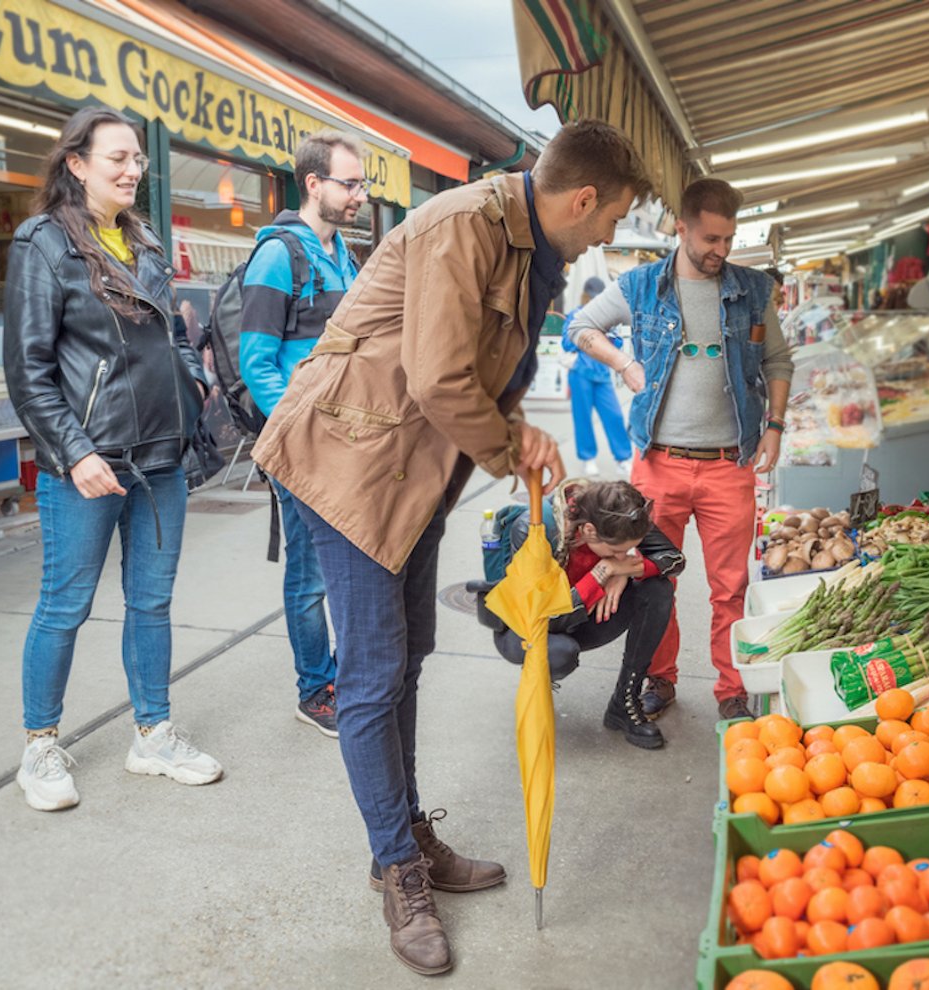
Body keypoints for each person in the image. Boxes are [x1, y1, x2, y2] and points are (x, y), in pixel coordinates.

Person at [252, 119, 650, 976]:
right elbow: (437, 376)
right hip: (352, 462)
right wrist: (512, 448)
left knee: (408, 654)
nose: (609, 237)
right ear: (582, 199)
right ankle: (396, 866)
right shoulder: (461, 224)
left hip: (417, 465)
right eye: (612, 219)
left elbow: (477, 374)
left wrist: (513, 432)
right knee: (372, 670)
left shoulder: (530, 247)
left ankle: (402, 835)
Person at [3, 106, 222, 812]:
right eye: (117, 160)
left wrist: (193, 379)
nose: (133, 171)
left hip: (161, 460)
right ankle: (40, 746)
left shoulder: (143, 242)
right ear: (76, 164)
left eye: (137, 161)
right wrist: (72, 453)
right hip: (89, 468)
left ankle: (152, 735)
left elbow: (174, 335)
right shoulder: (43, 244)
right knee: (64, 606)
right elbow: (28, 370)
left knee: (151, 603)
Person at [567, 177, 795, 722]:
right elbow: (581, 325)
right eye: (711, 238)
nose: (721, 250)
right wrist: (624, 364)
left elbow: (778, 363)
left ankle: (732, 688)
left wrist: (775, 426)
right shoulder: (642, 285)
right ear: (681, 227)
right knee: (653, 577)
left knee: (731, 586)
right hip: (658, 463)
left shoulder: (754, 289)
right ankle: (660, 679)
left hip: (728, 464)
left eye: (728, 239)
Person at [240, 130, 365, 737]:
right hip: (301, 445)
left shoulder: (343, 253)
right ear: (314, 184)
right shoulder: (277, 255)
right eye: (350, 183)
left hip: (345, 442)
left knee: (344, 565)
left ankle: (342, 675)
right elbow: (256, 362)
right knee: (310, 573)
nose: (359, 195)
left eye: (363, 183)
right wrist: (296, 428)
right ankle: (316, 689)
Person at [493, 480, 684, 748]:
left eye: (625, 550)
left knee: (658, 589)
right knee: (560, 653)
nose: (622, 555)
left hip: (584, 613)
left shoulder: (619, 514)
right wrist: (602, 572)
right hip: (529, 628)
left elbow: (675, 559)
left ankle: (624, 703)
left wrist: (625, 569)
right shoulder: (534, 529)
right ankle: (536, 690)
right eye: (616, 550)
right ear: (589, 530)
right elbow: (542, 617)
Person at [561, 276, 633, 477]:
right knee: (582, 418)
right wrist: (588, 337)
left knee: (615, 416)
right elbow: (566, 343)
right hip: (580, 374)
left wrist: (603, 336)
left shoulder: (608, 318)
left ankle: (623, 458)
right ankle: (588, 458)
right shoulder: (576, 315)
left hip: (602, 375)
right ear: (586, 296)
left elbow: (617, 345)